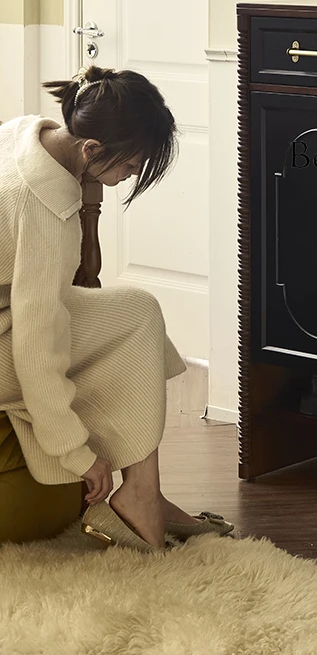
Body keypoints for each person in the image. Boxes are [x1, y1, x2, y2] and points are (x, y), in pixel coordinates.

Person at [0, 66, 232, 551]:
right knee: (125, 325)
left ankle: (145, 493)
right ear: (90, 150)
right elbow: (36, 348)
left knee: (138, 312)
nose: (128, 178)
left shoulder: (24, 135)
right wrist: (77, 456)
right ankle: (141, 498)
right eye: (129, 167)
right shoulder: (45, 206)